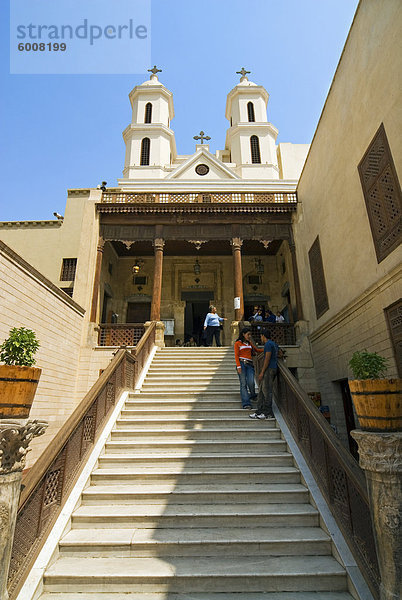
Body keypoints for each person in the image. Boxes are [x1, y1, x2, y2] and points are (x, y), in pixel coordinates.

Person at [249, 328, 278, 420]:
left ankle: (267, 412)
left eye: (261, 336)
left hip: (269, 369)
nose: (260, 338)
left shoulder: (268, 344)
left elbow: (267, 358)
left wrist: (262, 372)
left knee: (267, 390)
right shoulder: (273, 344)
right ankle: (259, 411)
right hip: (271, 368)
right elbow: (280, 353)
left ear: (263, 336)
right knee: (261, 390)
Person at [234, 327, 262, 409]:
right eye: (248, 334)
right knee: (243, 383)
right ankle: (246, 403)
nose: (249, 336)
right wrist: (238, 366)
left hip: (249, 364)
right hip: (242, 363)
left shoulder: (249, 343)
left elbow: (256, 350)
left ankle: (253, 395)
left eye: (250, 334)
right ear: (243, 334)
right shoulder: (238, 343)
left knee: (251, 382)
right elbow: (236, 355)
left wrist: (266, 350)